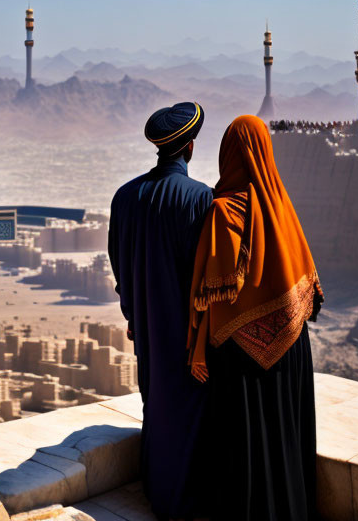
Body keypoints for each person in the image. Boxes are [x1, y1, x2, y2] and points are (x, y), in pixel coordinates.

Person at [187, 114, 324, 521]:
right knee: (285, 439)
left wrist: (198, 347)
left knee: (247, 449)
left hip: (241, 361)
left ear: (228, 154)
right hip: (292, 348)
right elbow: (305, 286)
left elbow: (212, 291)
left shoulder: (222, 213)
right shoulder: (282, 208)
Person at [109, 101, 214, 519]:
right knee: (191, 412)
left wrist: (134, 313)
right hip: (191, 336)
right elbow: (210, 274)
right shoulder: (201, 199)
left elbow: (118, 260)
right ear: (190, 148)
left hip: (149, 329)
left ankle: (157, 490)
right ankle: (189, 501)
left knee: (157, 404)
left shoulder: (125, 197)